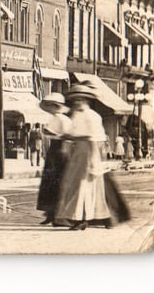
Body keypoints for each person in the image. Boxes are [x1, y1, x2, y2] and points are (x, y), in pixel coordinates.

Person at [54, 85, 112, 229]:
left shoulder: (92, 116)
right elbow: (71, 131)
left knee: (83, 184)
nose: (77, 102)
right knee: (74, 184)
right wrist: (67, 137)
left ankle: (82, 218)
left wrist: (94, 158)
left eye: (80, 99)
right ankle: (81, 217)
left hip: (88, 150)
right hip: (77, 150)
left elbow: (97, 136)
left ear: (86, 100)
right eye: (75, 100)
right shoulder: (76, 115)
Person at [35, 93, 71, 224]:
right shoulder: (55, 118)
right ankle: (50, 212)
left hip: (60, 149)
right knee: (49, 182)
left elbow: (66, 134)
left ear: (56, 106)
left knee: (55, 181)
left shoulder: (62, 119)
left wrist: (48, 132)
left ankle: (57, 214)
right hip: (55, 149)